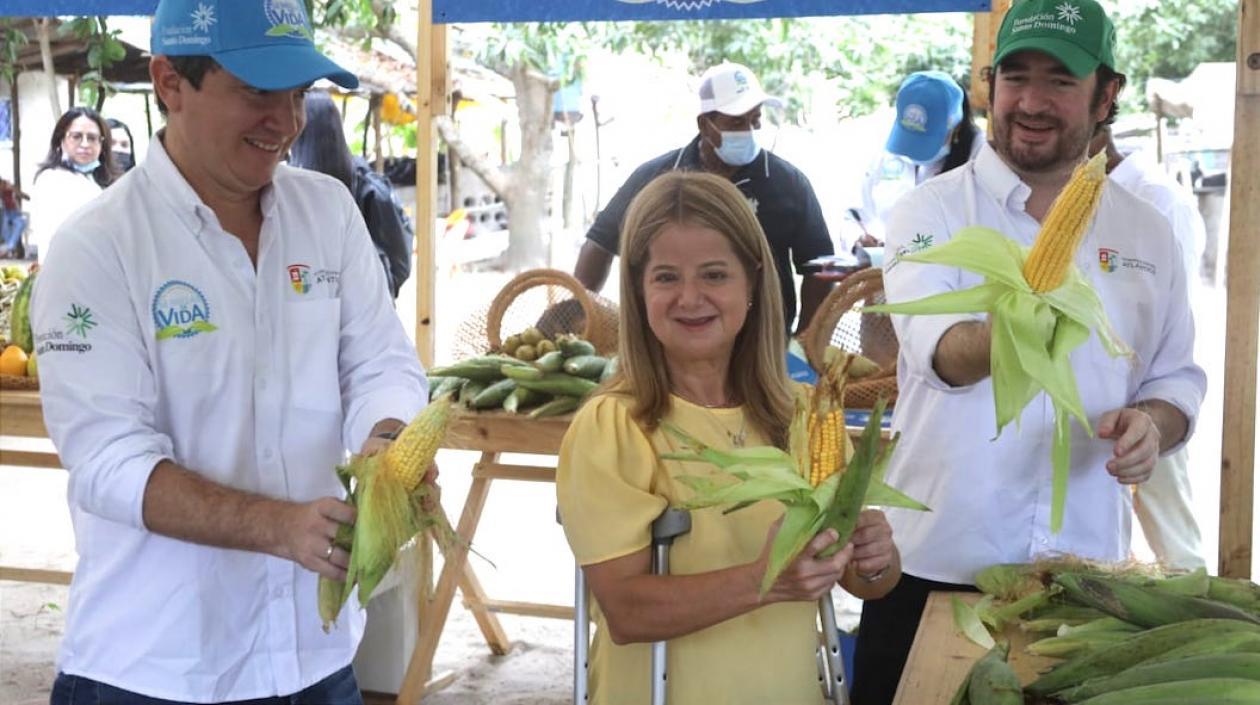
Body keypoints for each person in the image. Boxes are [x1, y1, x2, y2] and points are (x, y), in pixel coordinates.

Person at [32, 1, 431, 702]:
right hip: (156, 666)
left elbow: (380, 363)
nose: (286, 120)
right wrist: (278, 527)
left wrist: (389, 445)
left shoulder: (328, 211)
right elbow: (107, 460)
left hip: (315, 657)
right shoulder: (95, 247)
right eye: (256, 90)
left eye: (296, 91)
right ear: (169, 83)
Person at [852, 2, 1207, 703]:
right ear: (990, 84)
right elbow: (942, 355)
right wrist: (1030, 307)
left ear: (1108, 95)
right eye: (1016, 77)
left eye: (1061, 81)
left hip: (1080, 588)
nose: (1033, 102)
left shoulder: (1148, 233)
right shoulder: (930, 212)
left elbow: (1176, 378)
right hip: (930, 571)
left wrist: (1153, 425)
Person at [556, 170, 900, 705]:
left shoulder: (803, 413)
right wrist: (765, 581)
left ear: (753, 283)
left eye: (715, 275)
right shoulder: (613, 427)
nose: (690, 298)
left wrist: (874, 557)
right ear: (639, 290)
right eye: (666, 277)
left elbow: (866, 582)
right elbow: (625, 609)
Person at [573, 62, 835, 335]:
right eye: (736, 122)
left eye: (755, 119)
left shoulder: (788, 183)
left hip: (763, 343)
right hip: (670, 338)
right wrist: (579, 310)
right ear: (705, 124)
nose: (748, 130)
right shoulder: (657, 178)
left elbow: (820, 268)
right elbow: (599, 243)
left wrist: (803, 342)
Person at [1090, 124, 1207, 571]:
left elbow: (1171, 313)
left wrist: (1153, 414)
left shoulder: (1156, 199)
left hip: (1146, 395)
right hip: (1097, 404)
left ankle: (1191, 603)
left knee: (1169, 525)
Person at [289, 90, 413, 300]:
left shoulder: (287, 191)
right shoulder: (370, 188)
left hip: (307, 309)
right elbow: (400, 265)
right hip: (368, 313)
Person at [854, 71, 982, 248]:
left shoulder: (980, 160)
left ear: (956, 126)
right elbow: (857, 213)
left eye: (926, 139)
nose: (912, 152)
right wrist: (859, 237)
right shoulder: (885, 154)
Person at [29, 106, 116, 262]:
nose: (85, 144)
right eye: (76, 136)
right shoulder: (52, 180)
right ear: (61, 140)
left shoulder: (102, 182)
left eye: (92, 138)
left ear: (102, 144)